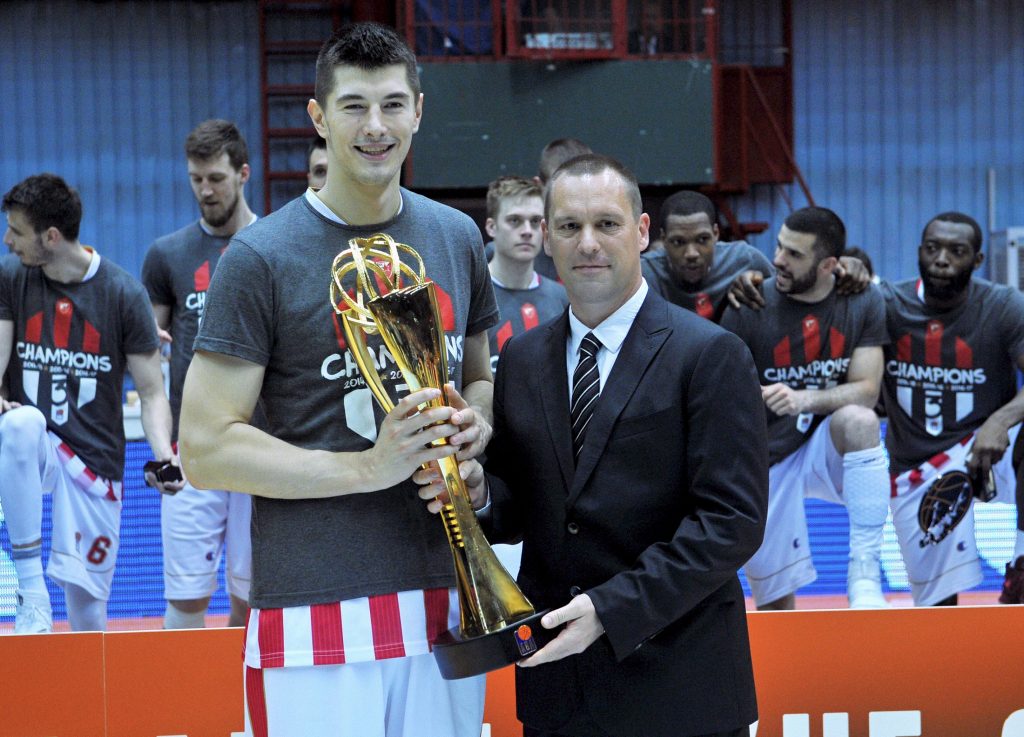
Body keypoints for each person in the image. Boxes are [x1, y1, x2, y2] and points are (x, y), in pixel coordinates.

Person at [179, 22, 495, 737]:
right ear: (318, 118)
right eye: (354, 106)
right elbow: (203, 448)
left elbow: (478, 378)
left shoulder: (456, 236)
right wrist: (369, 468)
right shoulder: (259, 257)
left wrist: (474, 430)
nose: (375, 126)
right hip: (316, 604)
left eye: (392, 104)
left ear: (419, 111)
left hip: (450, 599)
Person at [420, 154, 768, 736]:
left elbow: (731, 522)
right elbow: (522, 503)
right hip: (559, 694)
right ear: (547, 237)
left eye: (606, 224)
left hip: (681, 689)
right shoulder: (523, 358)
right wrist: (479, 492)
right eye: (569, 226)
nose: (587, 243)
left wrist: (611, 609)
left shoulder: (710, 354)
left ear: (642, 231)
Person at [0, 173, 178, 633]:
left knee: (88, 612)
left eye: (16, 231)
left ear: (51, 237)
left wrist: (164, 455)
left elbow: (152, 392)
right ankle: (31, 594)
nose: (8, 241)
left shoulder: (123, 293)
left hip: (94, 461)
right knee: (20, 425)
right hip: (39, 446)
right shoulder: (11, 277)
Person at [721, 207, 891, 610]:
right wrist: (757, 394)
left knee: (860, 421)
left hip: (822, 447)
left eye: (794, 254)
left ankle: (864, 574)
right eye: (780, 246)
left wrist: (803, 399)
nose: (778, 259)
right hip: (765, 457)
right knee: (775, 604)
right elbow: (719, 394)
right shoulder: (749, 303)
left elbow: (868, 391)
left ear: (830, 265)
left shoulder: (863, 298)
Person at [141, 119, 257, 630]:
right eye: (196, 179)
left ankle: (241, 686)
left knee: (251, 601)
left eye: (216, 178)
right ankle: (181, 689)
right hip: (191, 448)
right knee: (186, 599)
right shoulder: (166, 255)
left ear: (243, 174)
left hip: (261, 447)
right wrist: (160, 449)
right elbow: (149, 361)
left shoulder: (275, 245)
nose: (205, 190)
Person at [881, 212, 1024, 606]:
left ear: (977, 260)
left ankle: (1022, 564)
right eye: (933, 248)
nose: (941, 259)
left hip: (987, 449)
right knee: (937, 611)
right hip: (918, 469)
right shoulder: (888, 304)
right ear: (919, 252)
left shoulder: (1003, 305)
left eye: (956, 251)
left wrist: (1000, 420)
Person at [642, 190, 772, 321]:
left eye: (702, 239)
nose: (691, 254)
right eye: (678, 242)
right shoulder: (643, 273)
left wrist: (760, 283)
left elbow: (782, 296)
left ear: (716, 234)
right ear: (663, 239)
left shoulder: (745, 260)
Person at [484, 175, 568, 374]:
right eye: (515, 221)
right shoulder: (471, 297)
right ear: (492, 227)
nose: (527, 231)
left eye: (535, 221)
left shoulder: (564, 298)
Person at [531, 138, 592, 281]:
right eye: (560, 188)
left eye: (582, 187)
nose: (572, 200)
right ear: (539, 186)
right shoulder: (506, 256)